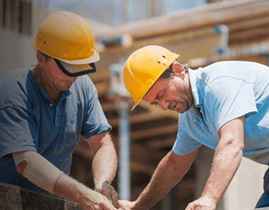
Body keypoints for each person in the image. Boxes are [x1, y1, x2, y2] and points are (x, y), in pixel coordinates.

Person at [119, 45, 269, 210]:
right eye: (155, 102)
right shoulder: (190, 120)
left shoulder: (219, 83)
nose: (163, 106)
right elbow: (175, 165)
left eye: (162, 95)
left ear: (178, 70)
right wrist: (139, 206)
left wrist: (209, 198)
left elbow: (232, 142)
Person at [0, 11, 119, 210]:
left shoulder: (83, 86)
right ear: (41, 58)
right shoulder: (14, 90)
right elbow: (25, 161)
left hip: (50, 203)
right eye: (68, 67)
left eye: (80, 67)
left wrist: (102, 185)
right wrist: (82, 194)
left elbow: (102, 144)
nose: (73, 76)